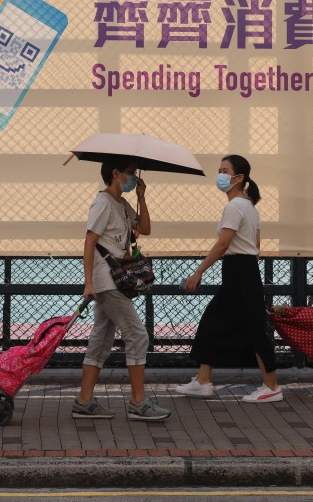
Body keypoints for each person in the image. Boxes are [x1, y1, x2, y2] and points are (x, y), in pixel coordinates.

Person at [174, 154, 283, 403]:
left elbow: (224, 243)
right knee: (215, 321)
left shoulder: (235, 206)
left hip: (238, 270)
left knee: (253, 330)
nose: (220, 175)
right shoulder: (250, 207)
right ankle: (203, 380)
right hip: (243, 271)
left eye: (225, 170)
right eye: (219, 170)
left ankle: (272, 387)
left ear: (239, 178)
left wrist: (199, 271)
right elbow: (256, 246)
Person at [72, 156, 172, 421]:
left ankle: (84, 401)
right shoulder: (103, 203)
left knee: (101, 339)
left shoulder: (122, 204)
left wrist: (141, 197)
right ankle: (138, 402)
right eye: (129, 173)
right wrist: (89, 283)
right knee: (137, 335)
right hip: (107, 282)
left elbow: (145, 229)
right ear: (115, 173)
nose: (133, 178)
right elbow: (89, 241)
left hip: (113, 281)